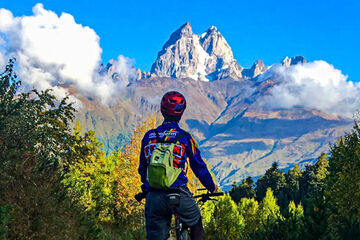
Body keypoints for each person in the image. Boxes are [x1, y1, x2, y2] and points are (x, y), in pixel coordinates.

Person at [138, 91, 217, 240]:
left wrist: (147, 185)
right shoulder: (185, 138)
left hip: (154, 196)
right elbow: (198, 166)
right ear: (181, 113)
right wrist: (211, 187)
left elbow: (142, 168)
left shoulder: (149, 136)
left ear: (162, 111)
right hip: (179, 192)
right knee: (196, 223)